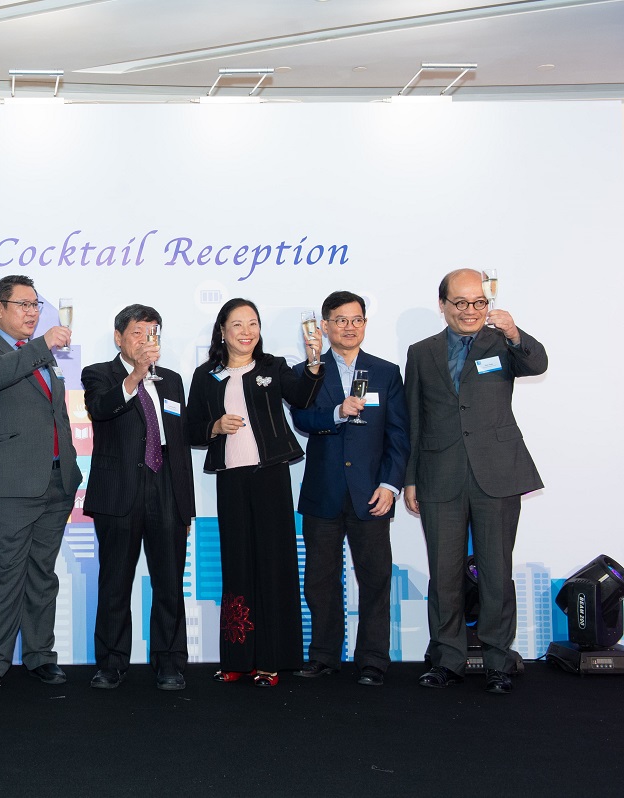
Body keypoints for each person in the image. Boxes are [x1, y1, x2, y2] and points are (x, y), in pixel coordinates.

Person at [405, 269, 547, 695]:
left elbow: (537, 363)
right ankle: (447, 660)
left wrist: (514, 332)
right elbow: (415, 420)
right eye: (461, 302)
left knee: (496, 572)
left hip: (497, 472)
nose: (471, 310)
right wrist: (410, 479)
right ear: (443, 304)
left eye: (479, 302)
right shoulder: (421, 352)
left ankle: (498, 662)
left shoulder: (502, 342)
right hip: (439, 475)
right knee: (444, 574)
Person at [184, 298, 323, 687]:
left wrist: (314, 362)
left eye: (253, 324)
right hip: (231, 480)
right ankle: (237, 659)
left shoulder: (273, 367)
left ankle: (270, 661)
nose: (246, 332)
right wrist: (214, 427)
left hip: (270, 478)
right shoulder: (205, 375)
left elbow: (302, 396)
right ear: (222, 331)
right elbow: (191, 428)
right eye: (237, 324)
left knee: (273, 566)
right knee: (237, 565)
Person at [0, 275, 82, 692]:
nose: (32, 313)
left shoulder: (38, 354)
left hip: (55, 482)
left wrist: (70, 466)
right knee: (6, 574)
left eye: (35, 305)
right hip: (6, 483)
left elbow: (54, 414)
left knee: (43, 575)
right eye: (23, 305)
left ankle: (40, 656)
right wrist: (42, 345)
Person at [290, 291, 409, 687]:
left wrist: (390, 485)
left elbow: (398, 435)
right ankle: (324, 656)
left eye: (356, 320)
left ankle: (373, 659)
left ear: (365, 324)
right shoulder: (307, 371)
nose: (349, 327)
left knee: (375, 579)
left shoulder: (386, 372)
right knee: (320, 581)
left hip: (372, 493)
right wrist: (337, 412)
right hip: (323, 491)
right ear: (325, 326)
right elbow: (303, 419)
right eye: (340, 320)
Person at [82, 304, 195, 691]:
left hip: (166, 486)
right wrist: (135, 375)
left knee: (169, 583)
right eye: (137, 333)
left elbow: (180, 443)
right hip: (120, 490)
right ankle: (111, 663)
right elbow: (101, 409)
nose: (147, 341)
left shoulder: (172, 380)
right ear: (119, 337)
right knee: (115, 582)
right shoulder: (99, 374)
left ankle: (170, 662)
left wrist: (185, 503)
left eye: (153, 334)